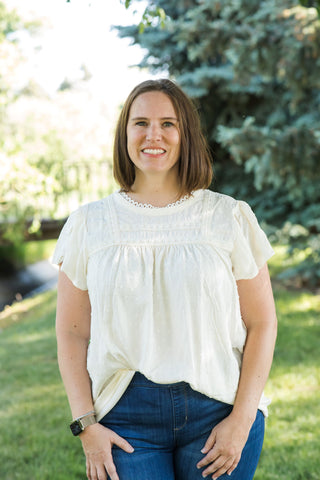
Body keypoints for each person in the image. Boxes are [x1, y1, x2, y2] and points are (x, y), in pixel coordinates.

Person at [53, 78, 277, 480]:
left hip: (219, 407)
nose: (152, 135)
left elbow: (262, 323)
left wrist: (242, 419)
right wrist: (85, 424)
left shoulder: (227, 217)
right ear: (125, 134)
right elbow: (71, 332)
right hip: (124, 417)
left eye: (167, 124)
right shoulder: (90, 224)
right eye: (140, 122)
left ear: (185, 134)